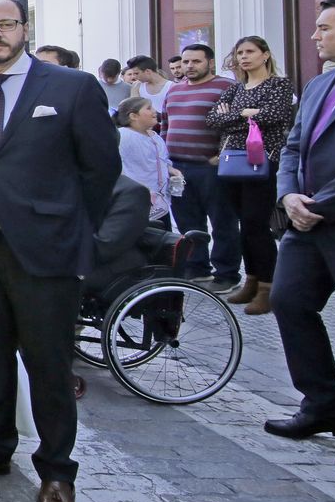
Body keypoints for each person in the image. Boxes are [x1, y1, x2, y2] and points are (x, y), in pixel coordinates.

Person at [0, 0, 119, 502]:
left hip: (45, 248)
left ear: (23, 28)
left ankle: (57, 470)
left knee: (48, 364)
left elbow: (100, 168)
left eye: (5, 24)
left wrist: (69, 226)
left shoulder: (71, 87)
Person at [267, 0, 335, 470]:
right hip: (304, 225)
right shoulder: (320, 84)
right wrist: (289, 197)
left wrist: (318, 206)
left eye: (324, 27)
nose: (315, 35)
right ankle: (324, 404)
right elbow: (292, 147)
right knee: (288, 301)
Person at [204, 36, 295, 314]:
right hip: (233, 163)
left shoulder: (278, 85)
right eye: (240, 52)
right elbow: (213, 119)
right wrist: (246, 114)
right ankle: (252, 279)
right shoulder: (235, 88)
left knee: (257, 224)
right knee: (244, 224)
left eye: (250, 51)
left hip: (264, 162)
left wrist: (234, 115)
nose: (243, 57)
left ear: (265, 55)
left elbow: (274, 116)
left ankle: (269, 286)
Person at [162, 44, 240, 289]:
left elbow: (238, 125)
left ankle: (227, 274)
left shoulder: (226, 87)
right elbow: (165, 125)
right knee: (188, 222)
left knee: (223, 222)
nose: (189, 66)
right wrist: (164, 159)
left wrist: (222, 153)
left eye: (196, 61)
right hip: (178, 167)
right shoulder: (174, 89)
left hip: (211, 168)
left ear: (210, 63)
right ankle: (196, 269)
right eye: (186, 62)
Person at [114, 97, 179, 230]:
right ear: (133, 116)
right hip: (137, 200)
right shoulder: (124, 136)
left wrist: (172, 171)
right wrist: (139, 188)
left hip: (159, 201)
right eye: (148, 108)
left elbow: (161, 160)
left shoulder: (155, 136)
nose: (154, 111)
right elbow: (117, 166)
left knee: (163, 235)